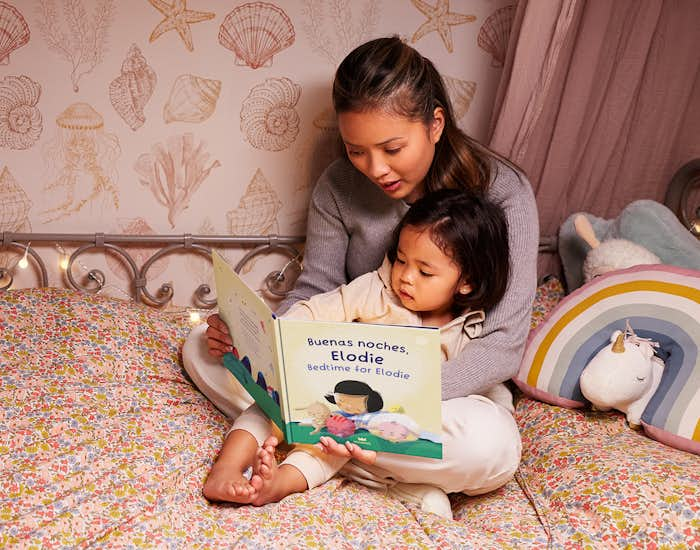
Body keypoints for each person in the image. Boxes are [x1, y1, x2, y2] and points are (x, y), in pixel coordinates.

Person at [201, 36, 539, 515]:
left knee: (492, 448)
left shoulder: (504, 194)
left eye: (392, 147)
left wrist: (393, 399)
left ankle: (327, 454)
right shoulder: (339, 187)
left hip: (448, 390)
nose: (375, 169)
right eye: (357, 150)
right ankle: (389, 474)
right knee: (200, 347)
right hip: (341, 373)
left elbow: (501, 344)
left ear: (436, 123)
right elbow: (317, 291)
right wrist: (254, 341)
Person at [202, 189, 516, 519]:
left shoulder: (470, 333)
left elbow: (485, 402)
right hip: (323, 402)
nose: (406, 277)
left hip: (381, 432)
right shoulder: (375, 290)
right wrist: (274, 334)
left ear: (466, 282)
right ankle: (227, 468)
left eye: (425, 272)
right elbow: (318, 310)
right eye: (402, 260)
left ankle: (275, 484)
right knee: (263, 396)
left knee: (334, 446)